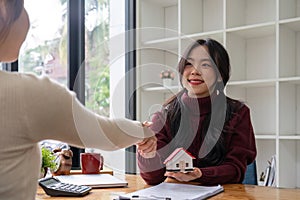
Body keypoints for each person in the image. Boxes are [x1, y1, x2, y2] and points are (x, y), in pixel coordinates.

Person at [0, 1, 154, 199]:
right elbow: (107, 134)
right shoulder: (25, 93)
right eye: (21, 8)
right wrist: (144, 131)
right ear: (5, 15)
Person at [136, 38, 257, 185]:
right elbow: (153, 178)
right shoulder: (163, 115)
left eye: (205, 65)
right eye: (189, 64)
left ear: (220, 75)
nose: (194, 71)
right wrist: (148, 153)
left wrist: (200, 174)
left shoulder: (238, 113)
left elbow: (236, 170)